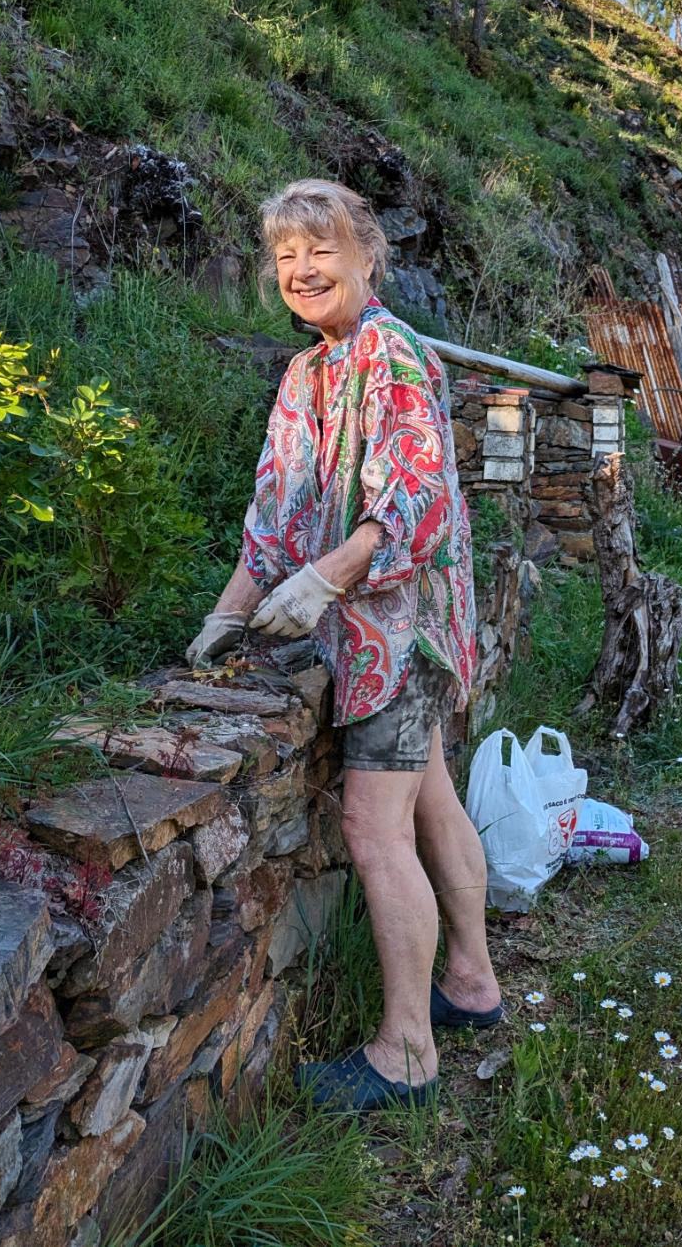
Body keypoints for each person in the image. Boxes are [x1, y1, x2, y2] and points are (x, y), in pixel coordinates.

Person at [187, 178, 502, 1111]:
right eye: (285, 255)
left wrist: (327, 578)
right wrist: (225, 616)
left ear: (368, 257)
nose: (302, 269)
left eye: (321, 250)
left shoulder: (392, 353)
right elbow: (275, 514)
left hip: (401, 634)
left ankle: (407, 1051)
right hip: (371, 632)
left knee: (373, 827)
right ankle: (471, 981)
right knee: (432, 796)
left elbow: (416, 501)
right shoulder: (307, 375)